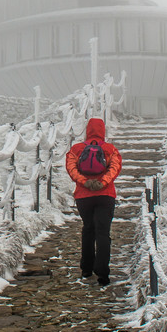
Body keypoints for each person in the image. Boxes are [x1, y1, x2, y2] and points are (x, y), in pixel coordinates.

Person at [65, 117, 122, 286]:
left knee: (88, 229)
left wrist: (85, 182)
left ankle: (86, 269)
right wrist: (102, 183)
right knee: (103, 232)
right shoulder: (110, 149)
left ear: (87, 130)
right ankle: (103, 273)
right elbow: (115, 168)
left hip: (83, 196)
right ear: (103, 130)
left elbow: (71, 168)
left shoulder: (76, 149)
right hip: (106, 195)